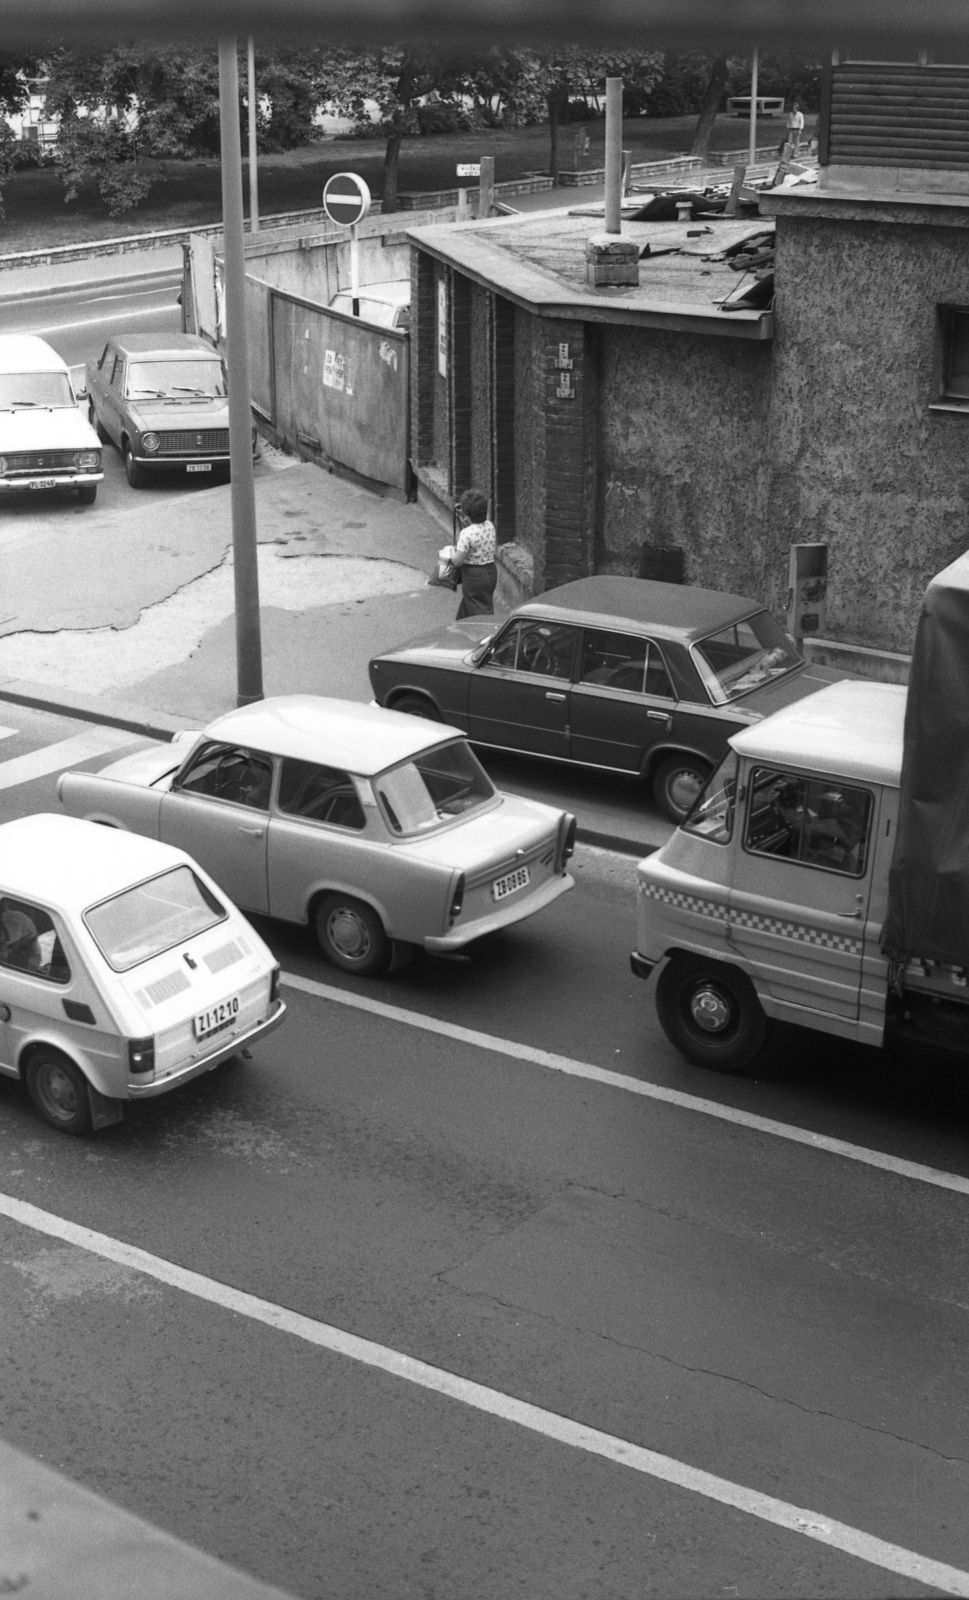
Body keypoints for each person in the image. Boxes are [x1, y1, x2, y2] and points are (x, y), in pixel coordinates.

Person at [449, 488, 498, 619]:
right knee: (476, 604)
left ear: (466, 515)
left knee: (479, 612)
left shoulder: (466, 534)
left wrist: (452, 551)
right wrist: (466, 518)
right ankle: (460, 627)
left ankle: (486, 635)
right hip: (491, 572)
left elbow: (458, 561)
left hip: (473, 576)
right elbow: (477, 532)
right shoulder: (490, 525)